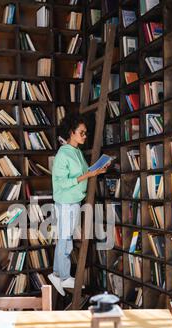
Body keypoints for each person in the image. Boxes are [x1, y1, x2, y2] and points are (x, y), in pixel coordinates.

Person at [48, 113, 108, 296]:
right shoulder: (62, 154)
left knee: (67, 239)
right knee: (65, 240)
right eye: (81, 133)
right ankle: (62, 275)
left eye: (85, 133)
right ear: (71, 133)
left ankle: (58, 274)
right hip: (66, 202)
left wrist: (95, 171)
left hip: (74, 201)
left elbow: (83, 173)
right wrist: (88, 176)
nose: (84, 136)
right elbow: (62, 182)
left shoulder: (77, 152)